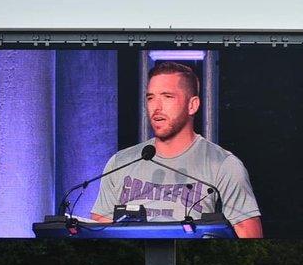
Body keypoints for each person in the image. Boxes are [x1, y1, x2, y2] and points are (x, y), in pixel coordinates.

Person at [91, 62, 263, 238]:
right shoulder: (120, 162)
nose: (156, 107)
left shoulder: (224, 165)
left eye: (167, 97)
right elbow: (96, 230)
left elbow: (249, 233)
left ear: (192, 105)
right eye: (150, 98)